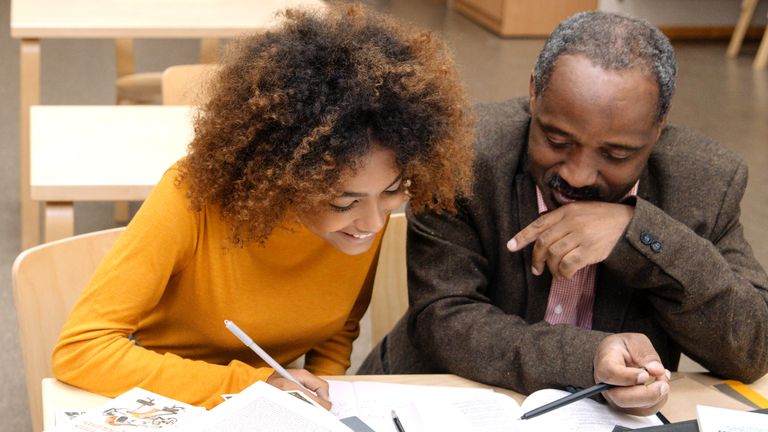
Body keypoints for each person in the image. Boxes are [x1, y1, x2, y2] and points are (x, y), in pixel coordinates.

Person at [52, 5, 474, 410]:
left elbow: (338, 325)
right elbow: (82, 350)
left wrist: (326, 387)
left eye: (393, 192)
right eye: (343, 202)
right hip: (161, 398)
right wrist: (251, 386)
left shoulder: (360, 215)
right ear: (287, 178)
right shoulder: (190, 199)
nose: (374, 221)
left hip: (269, 405)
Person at [360, 11, 768, 416]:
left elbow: (752, 347)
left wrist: (640, 235)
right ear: (535, 92)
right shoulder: (464, 156)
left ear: (659, 126)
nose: (577, 174)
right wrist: (588, 357)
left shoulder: (704, 182)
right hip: (435, 406)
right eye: (556, 140)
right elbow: (442, 320)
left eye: (615, 154)